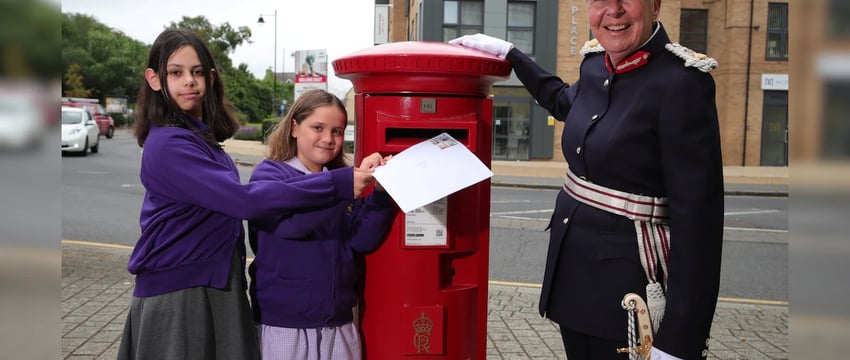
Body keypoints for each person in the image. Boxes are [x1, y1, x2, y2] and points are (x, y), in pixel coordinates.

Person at [450, 0, 724, 359]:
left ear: (654, 6)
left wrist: (679, 342)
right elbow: (566, 101)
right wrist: (513, 55)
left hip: (629, 298)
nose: (614, 11)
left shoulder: (683, 82)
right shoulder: (596, 65)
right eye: (600, 1)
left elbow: (699, 223)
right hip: (574, 280)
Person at [117, 29, 376, 360]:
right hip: (180, 290)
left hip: (213, 284)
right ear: (154, 79)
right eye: (176, 72)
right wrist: (339, 184)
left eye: (197, 72)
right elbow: (245, 201)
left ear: (211, 78)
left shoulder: (201, 140)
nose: (189, 82)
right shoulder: (169, 144)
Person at [247, 89, 397, 360]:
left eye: (337, 131)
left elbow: (362, 240)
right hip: (284, 322)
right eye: (318, 128)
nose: (328, 139)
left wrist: (382, 194)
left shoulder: (341, 181)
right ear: (294, 127)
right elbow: (290, 226)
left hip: (336, 320)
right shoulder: (269, 175)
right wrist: (342, 192)